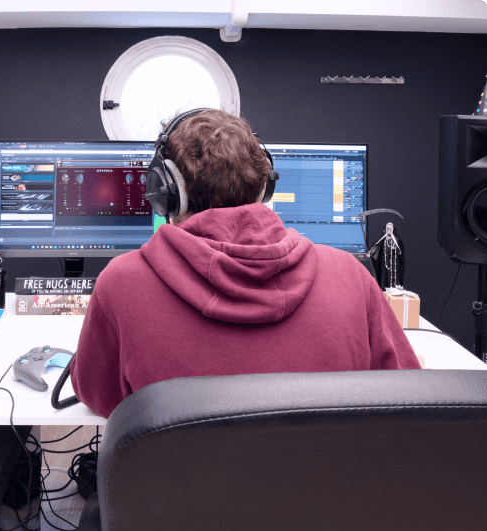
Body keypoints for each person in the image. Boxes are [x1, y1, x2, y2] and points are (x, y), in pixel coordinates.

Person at [70, 109, 421, 418]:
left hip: (182, 491)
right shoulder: (350, 275)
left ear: (167, 192)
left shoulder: (121, 282)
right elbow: (404, 392)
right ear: (264, 185)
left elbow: (101, 397)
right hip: (322, 489)